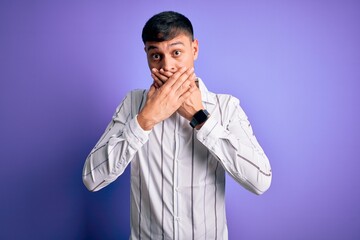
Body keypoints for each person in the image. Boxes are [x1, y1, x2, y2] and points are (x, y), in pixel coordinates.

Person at [83, 11, 272, 240]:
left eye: (176, 52)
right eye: (156, 56)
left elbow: (260, 180)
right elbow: (92, 179)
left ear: (194, 49)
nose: (167, 66)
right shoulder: (132, 104)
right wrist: (145, 120)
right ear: (146, 55)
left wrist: (200, 117)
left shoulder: (226, 107)